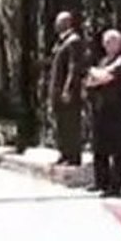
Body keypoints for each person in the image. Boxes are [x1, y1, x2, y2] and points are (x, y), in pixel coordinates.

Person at [85, 29, 121, 198]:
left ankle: (115, 187)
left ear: (119, 43)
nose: (107, 44)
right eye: (105, 41)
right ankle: (101, 182)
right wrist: (97, 75)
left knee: (119, 151)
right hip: (102, 110)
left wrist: (97, 73)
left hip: (119, 113)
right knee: (100, 148)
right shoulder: (104, 60)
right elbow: (90, 82)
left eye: (111, 41)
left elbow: (105, 77)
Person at [48, 11, 86, 166]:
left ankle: (73, 156)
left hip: (67, 92)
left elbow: (73, 67)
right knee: (61, 123)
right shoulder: (61, 42)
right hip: (57, 90)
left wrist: (67, 89)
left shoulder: (73, 41)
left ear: (68, 23)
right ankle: (64, 153)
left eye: (60, 22)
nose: (57, 25)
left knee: (70, 123)